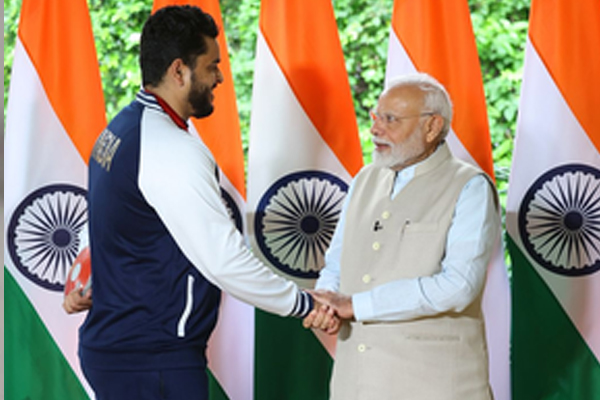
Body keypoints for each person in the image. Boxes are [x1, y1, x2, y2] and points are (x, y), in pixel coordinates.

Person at [74, 6, 328, 400]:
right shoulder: (170, 148)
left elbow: (113, 218)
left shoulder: (122, 128)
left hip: (124, 350)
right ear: (179, 71)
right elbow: (224, 260)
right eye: (212, 66)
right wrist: (304, 304)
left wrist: (82, 277)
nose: (220, 77)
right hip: (151, 358)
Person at [303, 73, 500, 400]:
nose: (375, 129)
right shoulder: (364, 179)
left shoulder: (470, 186)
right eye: (376, 117)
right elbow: (337, 264)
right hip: (356, 384)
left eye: (390, 119)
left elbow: (459, 286)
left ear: (432, 127)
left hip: (436, 386)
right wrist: (328, 302)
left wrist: (355, 305)